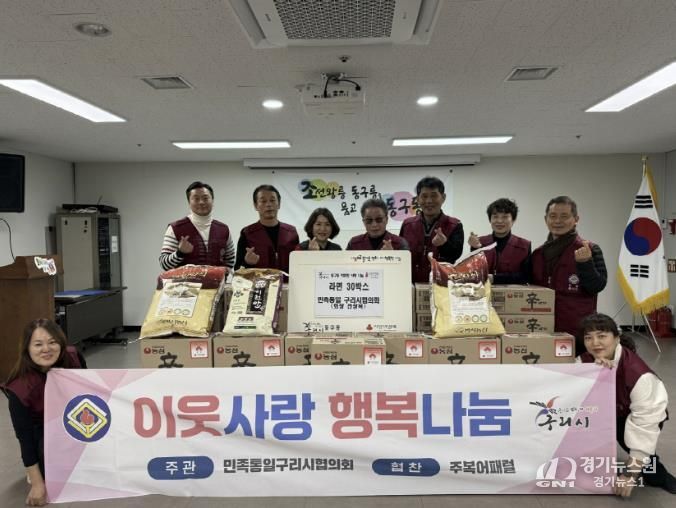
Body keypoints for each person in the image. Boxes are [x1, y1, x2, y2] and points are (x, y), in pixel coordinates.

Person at [578, 313, 676, 497]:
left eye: (602, 336)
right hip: (607, 412)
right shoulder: (584, 360)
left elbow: (644, 427)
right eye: (588, 337)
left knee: (636, 448)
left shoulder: (639, 375)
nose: (595, 343)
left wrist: (630, 475)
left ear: (617, 338)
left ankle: (658, 476)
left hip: (635, 417)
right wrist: (591, 372)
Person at [2, 319, 86, 507]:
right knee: (53, 470)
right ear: (27, 349)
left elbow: (89, 388)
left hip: (75, 417)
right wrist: (37, 484)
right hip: (44, 431)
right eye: (38, 344)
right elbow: (25, 438)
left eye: (52, 342)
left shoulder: (73, 356)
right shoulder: (20, 388)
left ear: (61, 343)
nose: (46, 349)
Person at [531, 196, 606, 351]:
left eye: (564, 216)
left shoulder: (590, 249)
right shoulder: (538, 254)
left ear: (576, 219)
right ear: (546, 219)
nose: (558, 221)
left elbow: (597, 286)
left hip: (577, 332)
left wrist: (585, 263)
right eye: (553, 216)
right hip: (542, 329)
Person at [399, 176, 463, 282]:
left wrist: (444, 245)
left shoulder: (454, 225)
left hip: (442, 284)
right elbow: (402, 255)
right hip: (410, 283)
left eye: (434, 196)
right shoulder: (407, 225)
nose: (429, 201)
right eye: (424, 196)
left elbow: (455, 255)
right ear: (418, 199)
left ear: (443, 198)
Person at [159, 181, 235, 271]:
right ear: (189, 202)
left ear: (212, 200)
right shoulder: (175, 228)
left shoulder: (223, 229)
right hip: (185, 280)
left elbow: (230, 260)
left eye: (205, 198)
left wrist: (223, 272)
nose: (201, 202)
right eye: (196, 199)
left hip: (217, 280)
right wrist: (180, 253)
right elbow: (164, 264)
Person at [235, 184, 299, 272]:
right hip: (259, 281)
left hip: (287, 280)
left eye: (272, 200)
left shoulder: (291, 232)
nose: (268, 204)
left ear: (279, 204)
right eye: (263, 201)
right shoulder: (247, 233)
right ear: (256, 205)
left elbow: (298, 264)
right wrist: (247, 263)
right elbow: (237, 269)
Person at [467, 198, 531, 284]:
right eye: (495, 217)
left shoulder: (524, 245)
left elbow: (526, 276)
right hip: (483, 291)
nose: (499, 221)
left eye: (505, 217)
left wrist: (495, 278)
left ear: (513, 220)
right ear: (490, 219)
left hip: (513, 292)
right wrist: (475, 249)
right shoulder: (480, 242)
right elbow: (473, 272)